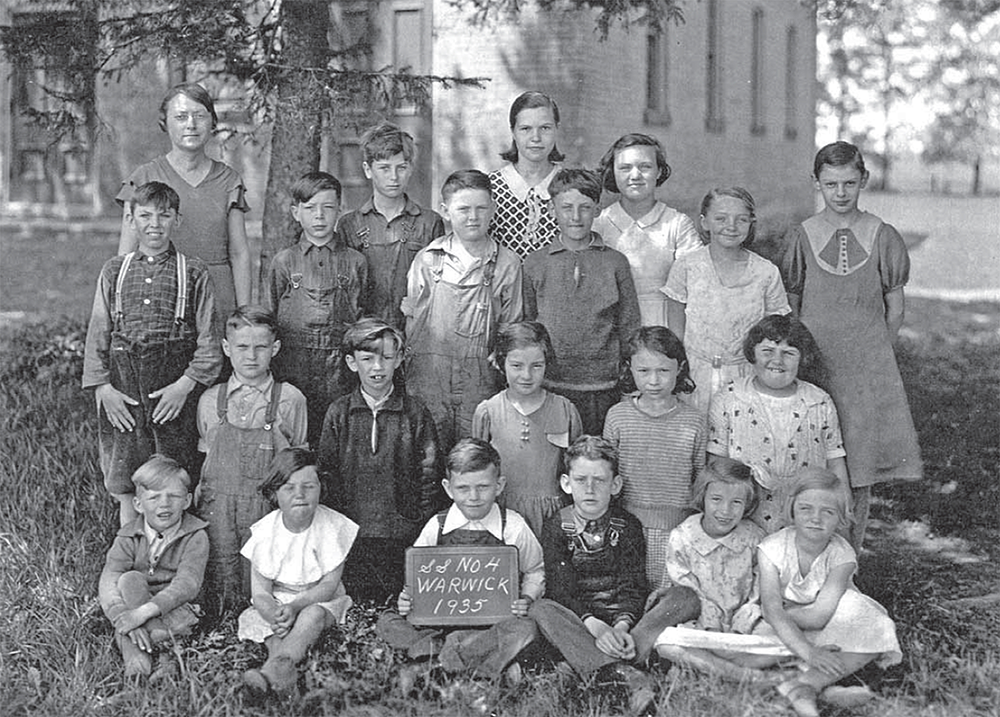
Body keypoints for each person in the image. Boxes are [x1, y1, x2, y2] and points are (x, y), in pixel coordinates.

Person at [784, 140, 922, 549]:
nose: (840, 193)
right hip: (815, 366)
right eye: (830, 184)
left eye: (849, 183)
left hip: (865, 367)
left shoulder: (883, 235)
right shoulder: (803, 236)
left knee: (858, 464)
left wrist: (876, 352)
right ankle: (803, 556)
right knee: (811, 455)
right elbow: (792, 303)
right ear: (817, 184)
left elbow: (894, 308)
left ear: (863, 180)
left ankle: (849, 557)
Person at [83, 181, 221, 527]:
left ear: (177, 219)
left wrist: (185, 385)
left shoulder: (193, 272)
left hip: (173, 387)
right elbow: (98, 332)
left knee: (176, 472)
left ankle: (177, 554)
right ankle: (130, 549)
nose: (154, 224)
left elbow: (209, 340)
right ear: (131, 219)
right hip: (123, 387)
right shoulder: (114, 270)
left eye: (164, 216)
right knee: (127, 474)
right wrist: (103, 389)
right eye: (144, 216)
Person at [529, 436, 699, 715]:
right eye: (581, 479)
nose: (590, 489)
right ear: (566, 483)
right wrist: (596, 627)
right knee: (541, 609)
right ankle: (626, 672)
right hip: (582, 622)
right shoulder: (557, 525)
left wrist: (621, 627)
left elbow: (633, 584)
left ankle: (600, 662)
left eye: (600, 480)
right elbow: (562, 589)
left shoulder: (627, 524)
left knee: (684, 597)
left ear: (616, 485)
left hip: (626, 623)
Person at [376, 438, 544, 683]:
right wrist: (407, 598)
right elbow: (418, 574)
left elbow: (535, 571)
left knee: (527, 628)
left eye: (483, 487)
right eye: (463, 488)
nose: (473, 497)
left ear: (499, 486)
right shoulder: (438, 525)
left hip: (492, 623)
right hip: (441, 622)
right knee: (387, 620)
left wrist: (527, 598)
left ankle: (434, 661)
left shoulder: (514, 526)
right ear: (448, 487)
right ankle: (473, 659)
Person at [317, 318, 443, 605]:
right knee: (359, 599)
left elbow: (430, 472)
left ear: (398, 360)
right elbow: (327, 472)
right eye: (367, 359)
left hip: (400, 533)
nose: (378, 367)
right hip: (352, 533)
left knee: (396, 599)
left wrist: (415, 520)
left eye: (386, 357)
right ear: (351, 362)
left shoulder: (415, 412)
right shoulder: (339, 413)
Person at [756, 469, 901, 717]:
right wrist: (806, 649)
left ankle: (806, 684)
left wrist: (782, 615)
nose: (816, 518)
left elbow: (819, 616)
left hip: (826, 622)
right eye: (806, 508)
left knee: (876, 623)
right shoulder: (772, 548)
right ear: (792, 510)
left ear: (840, 518)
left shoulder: (841, 554)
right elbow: (770, 609)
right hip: (782, 627)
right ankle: (819, 681)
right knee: (756, 643)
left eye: (828, 512)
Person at [196, 306, 308, 615]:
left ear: (275, 348)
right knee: (220, 577)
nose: (251, 356)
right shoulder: (210, 401)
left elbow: (298, 464)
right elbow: (206, 459)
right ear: (226, 348)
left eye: (261, 347)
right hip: (219, 509)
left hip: (267, 510)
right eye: (242, 347)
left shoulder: (290, 399)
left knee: (264, 578)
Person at [401, 169, 523, 450]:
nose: (473, 216)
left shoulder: (507, 263)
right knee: (428, 460)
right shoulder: (428, 260)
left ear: (493, 209)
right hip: (430, 382)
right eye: (463, 209)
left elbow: (512, 329)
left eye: (481, 208)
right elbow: (412, 324)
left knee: (475, 458)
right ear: (445, 211)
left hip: (480, 383)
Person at [117, 83, 251, 324]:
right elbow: (126, 254)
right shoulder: (143, 178)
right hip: (160, 294)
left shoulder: (229, 180)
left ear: (212, 123)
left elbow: (239, 252)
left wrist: (243, 314)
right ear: (165, 123)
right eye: (180, 117)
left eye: (199, 115)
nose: (191, 124)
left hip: (216, 297)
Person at [522, 168, 641, 435]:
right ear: (553, 210)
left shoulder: (614, 262)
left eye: (585, 207)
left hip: (602, 387)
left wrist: (625, 382)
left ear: (597, 209)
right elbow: (528, 325)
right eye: (566, 208)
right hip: (551, 383)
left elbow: (629, 325)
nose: (575, 217)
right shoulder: (535, 263)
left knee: (595, 457)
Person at [708, 315, 848, 535]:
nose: (777, 360)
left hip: (804, 522)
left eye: (789, 353)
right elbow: (717, 465)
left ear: (802, 358)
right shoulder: (729, 398)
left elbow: (836, 465)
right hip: (744, 519)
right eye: (767, 351)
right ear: (752, 354)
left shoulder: (819, 402)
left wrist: (842, 523)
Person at [239, 448, 358, 695]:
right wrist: (276, 615)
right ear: (274, 493)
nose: (300, 495)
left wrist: (295, 608)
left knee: (311, 616)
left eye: (309, 486)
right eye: (289, 488)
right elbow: (260, 592)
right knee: (270, 627)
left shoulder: (331, 526)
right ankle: (280, 673)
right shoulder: (265, 532)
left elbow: (328, 585)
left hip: (319, 600)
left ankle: (269, 674)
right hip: (277, 603)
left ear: (321, 488)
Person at [664, 187, 790, 414]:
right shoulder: (687, 267)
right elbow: (675, 333)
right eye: (721, 218)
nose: (731, 226)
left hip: (746, 377)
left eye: (741, 219)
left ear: (751, 223)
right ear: (704, 222)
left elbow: (774, 334)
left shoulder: (766, 272)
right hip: (694, 377)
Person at [266, 171, 369, 448]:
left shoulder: (355, 262)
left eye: (328, 208)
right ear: (296, 212)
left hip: (339, 369)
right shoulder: (284, 262)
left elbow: (362, 314)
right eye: (310, 208)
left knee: (338, 436)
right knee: (297, 436)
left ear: (340, 210)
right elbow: (272, 312)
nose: (319, 216)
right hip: (294, 365)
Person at [603, 326, 707, 590]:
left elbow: (699, 476)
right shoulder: (617, 416)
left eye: (663, 371)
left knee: (669, 597)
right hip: (627, 528)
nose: (654, 381)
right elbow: (607, 474)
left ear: (680, 368)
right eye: (643, 371)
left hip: (678, 530)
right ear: (629, 369)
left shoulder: (694, 421)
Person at [653, 458, 772, 679]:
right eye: (716, 499)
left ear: (747, 504)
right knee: (666, 643)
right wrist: (711, 625)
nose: (725, 510)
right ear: (703, 497)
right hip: (700, 625)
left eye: (736, 502)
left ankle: (706, 668)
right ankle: (743, 675)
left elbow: (760, 587)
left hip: (744, 625)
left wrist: (743, 621)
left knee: (775, 636)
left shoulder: (754, 537)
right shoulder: (683, 536)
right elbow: (685, 586)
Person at [99, 455, 209, 678]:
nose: (164, 504)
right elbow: (109, 579)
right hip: (136, 607)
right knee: (129, 581)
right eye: (154, 498)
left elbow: (187, 584)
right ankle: (138, 670)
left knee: (127, 627)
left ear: (187, 501)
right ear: (138, 504)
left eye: (173, 496)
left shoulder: (195, 536)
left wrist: (141, 614)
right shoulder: (128, 536)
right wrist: (123, 614)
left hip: (178, 611)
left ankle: (165, 659)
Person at [472, 321, 583, 535]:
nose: (526, 375)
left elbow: (576, 467)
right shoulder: (488, 412)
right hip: (502, 515)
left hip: (552, 517)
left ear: (547, 364)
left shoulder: (564, 409)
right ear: (501, 363)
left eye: (536, 366)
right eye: (517, 366)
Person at [337, 123, 445, 329]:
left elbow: (437, 285)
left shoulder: (429, 222)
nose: (394, 177)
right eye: (384, 168)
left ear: (411, 168)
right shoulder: (350, 224)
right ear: (368, 170)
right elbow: (345, 290)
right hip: (365, 333)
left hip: (414, 329)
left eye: (401, 167)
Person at [592, 133, 701, 329]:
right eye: (625, 168)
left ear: (659, 172)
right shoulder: (599, 225)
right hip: (611, 332)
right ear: (613, 172)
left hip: (664, 331)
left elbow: (697, 286)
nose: (635, 176)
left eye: (645, 167)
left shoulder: (677, 225)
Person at [488, 91, 563, 259]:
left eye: (545, 128)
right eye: (525, 129)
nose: (535, 137)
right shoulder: (491, 186)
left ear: (556, 129)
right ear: (513, 132)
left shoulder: (571, 185)